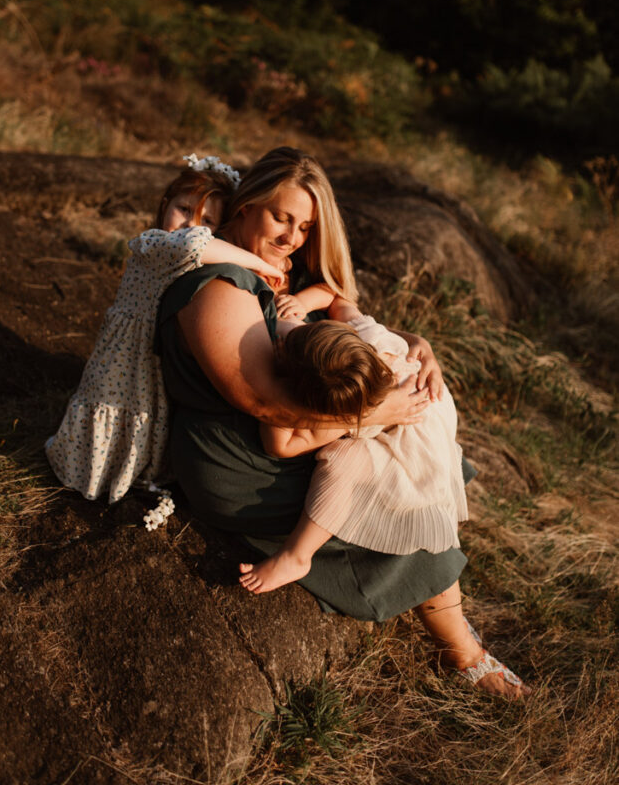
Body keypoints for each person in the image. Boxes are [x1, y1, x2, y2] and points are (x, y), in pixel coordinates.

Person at [155, 146, 530, 700]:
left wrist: (415, 346)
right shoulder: (218, 286)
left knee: (404, 462)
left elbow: (341, 312)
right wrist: (378, 411)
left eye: (304, 226)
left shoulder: (277, 274)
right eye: (282, 217)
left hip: (284, 434)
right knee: (391, 481)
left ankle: (458, 639)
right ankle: (462, 652)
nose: (290, 237)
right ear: (245, 205)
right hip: (241, 459)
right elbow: (270, 412)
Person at [45, 156, 284, 503]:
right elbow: (193, 244)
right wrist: (260, 264)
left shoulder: (195, 255)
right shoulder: (154, 243)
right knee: (114, 407)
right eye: (184, 209)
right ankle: (86, 475)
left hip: (152, 358)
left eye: (208, 221)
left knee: (147, 416)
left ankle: (132, 476)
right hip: (123, 358)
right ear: (164, 206)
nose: (193, 225)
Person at [238, 316, 468, 593]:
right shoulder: (368, 337)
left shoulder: (351, 412)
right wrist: (420, 342)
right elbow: (341, 306)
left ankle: (297, 556)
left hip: (416, 446)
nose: (282, 341)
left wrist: (275, 378)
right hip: (437, 406)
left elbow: (280, 445)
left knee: (341, 460)